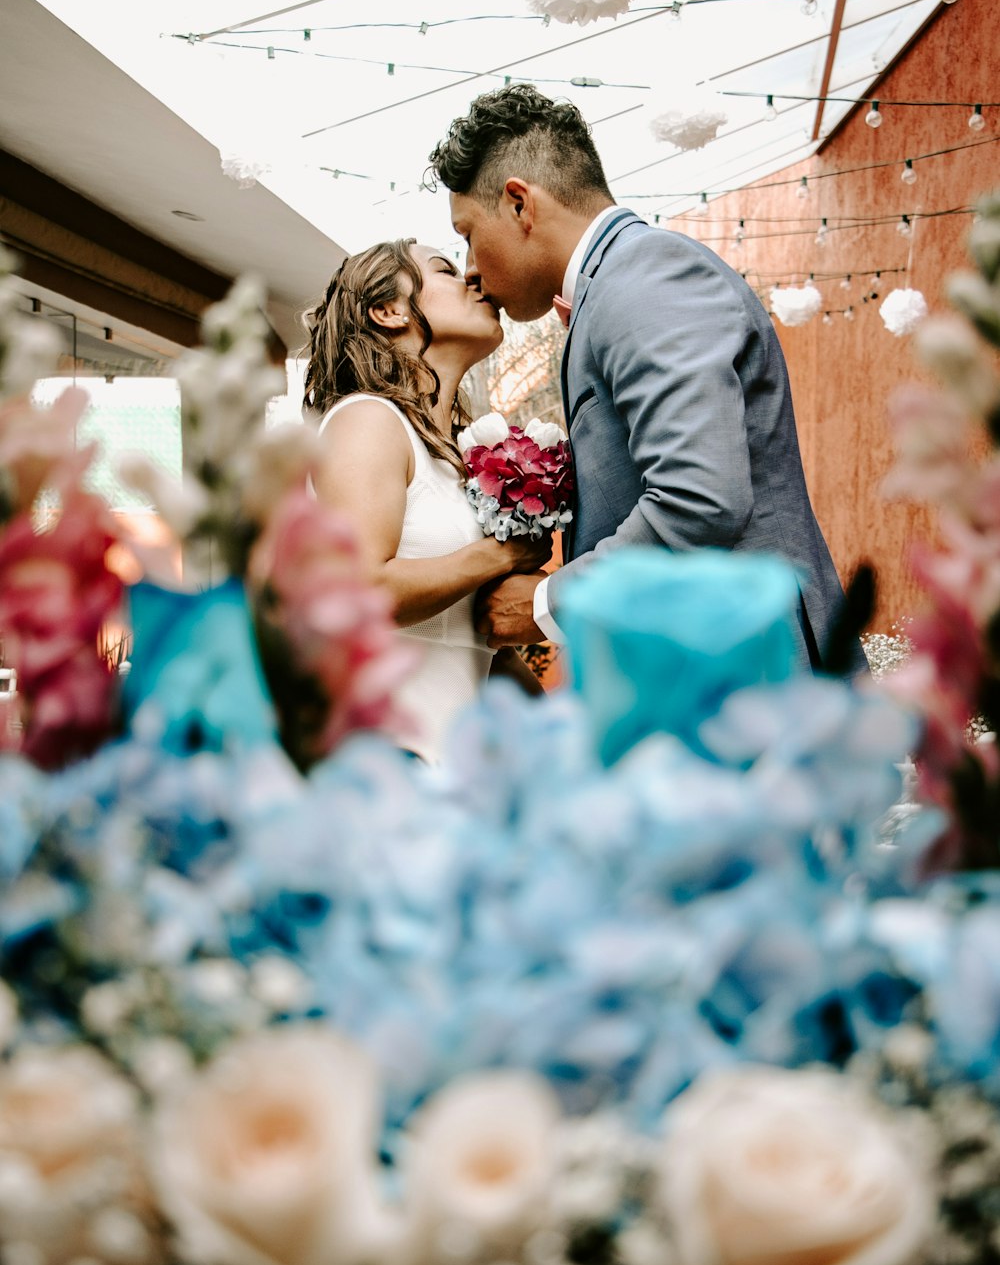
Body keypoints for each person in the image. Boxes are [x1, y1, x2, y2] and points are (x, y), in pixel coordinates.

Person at [428, 84, 867, 676]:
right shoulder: (620, 284)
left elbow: (699, 498)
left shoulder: (645, 274)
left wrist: (545, 605)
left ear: (518, 204)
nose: (472, 270)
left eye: (468, 236)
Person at [303, 238, 550, 763]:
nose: (475, 281)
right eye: (446, 270)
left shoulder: (459, 455)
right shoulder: (366, 419)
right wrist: (502, 554)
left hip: (459, 775)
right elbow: (359, 588)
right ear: (388, 311)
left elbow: (476, 646)